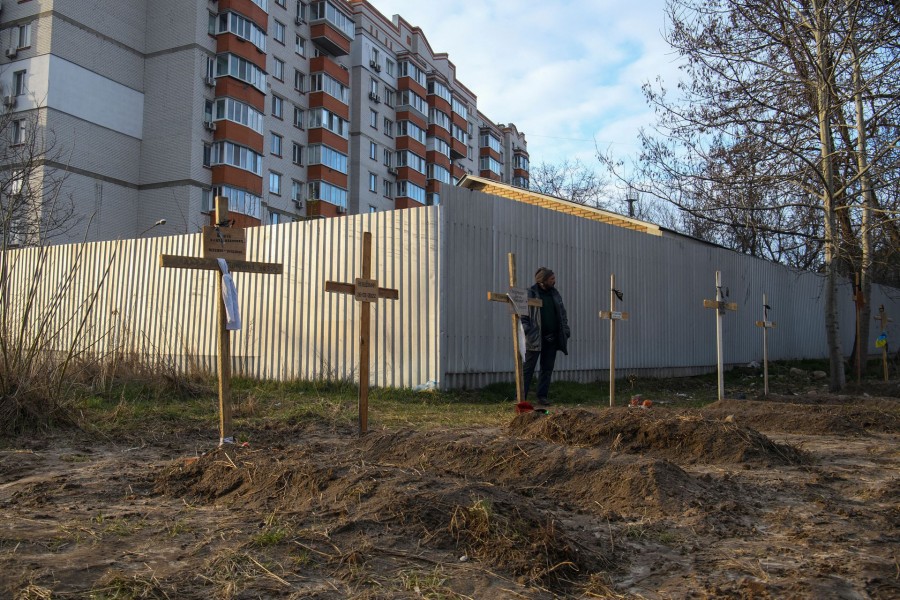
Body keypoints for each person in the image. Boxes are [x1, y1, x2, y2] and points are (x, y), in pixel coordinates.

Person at [521, 267, 570, 405]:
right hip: (535, 337)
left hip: (551, 338)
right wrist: (527, 330)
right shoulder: (530, 293)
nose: (554, 281)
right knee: (528, 369)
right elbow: (523, 315)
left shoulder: (555, 294)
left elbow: (562, 314)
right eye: (551, 279)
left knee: (547, 369)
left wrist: (565, 330)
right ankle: (521, 396)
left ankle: (542, 397)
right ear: (542, 281)